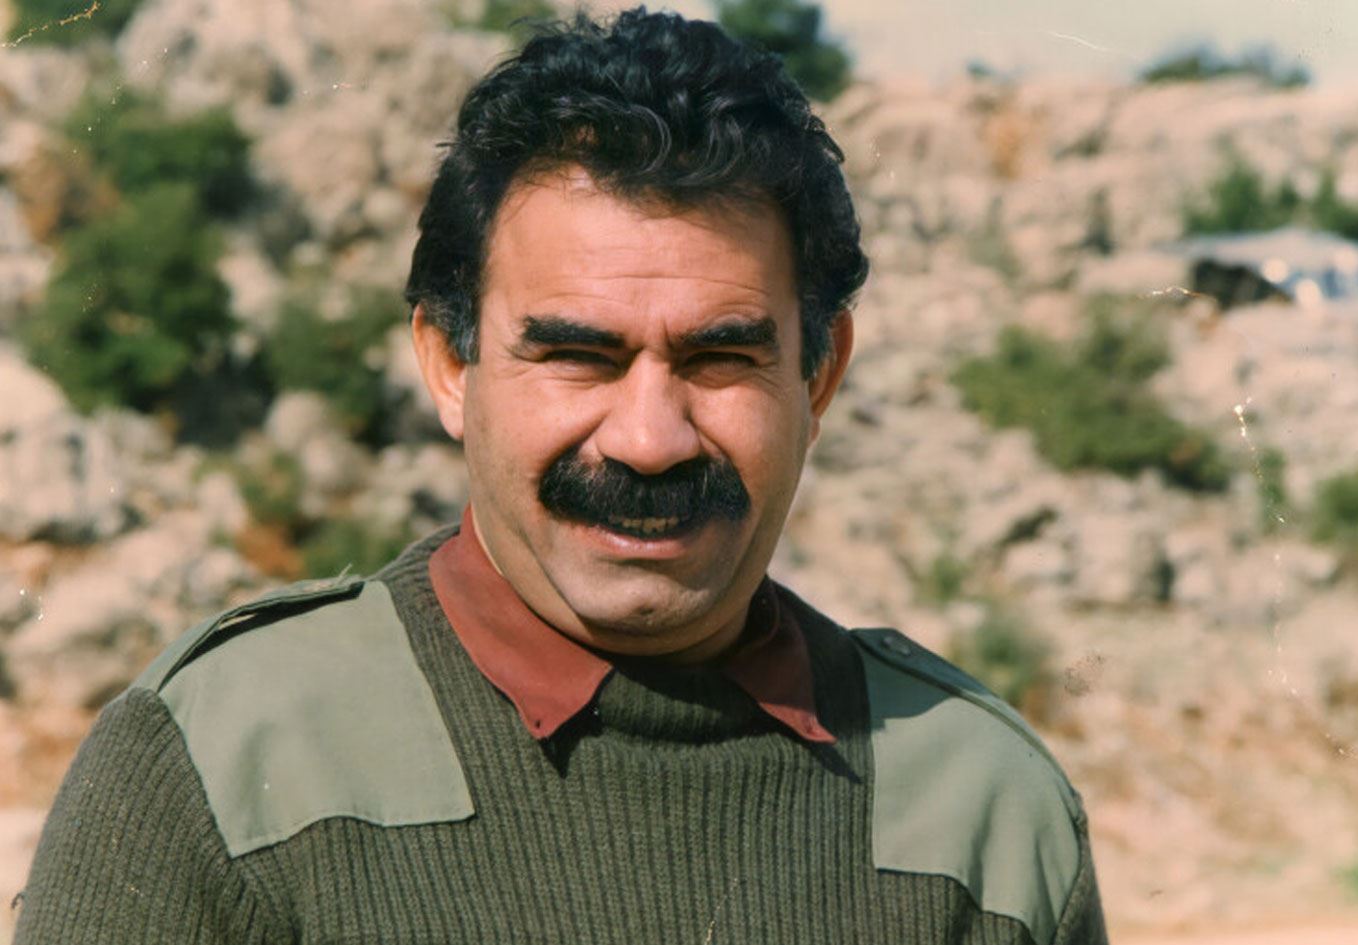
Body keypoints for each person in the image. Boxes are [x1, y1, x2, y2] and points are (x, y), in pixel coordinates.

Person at [15, 9, 1108, 944]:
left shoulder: (982, 806)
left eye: (719, 358)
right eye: (579, 355)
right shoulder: (220, 763)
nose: (649, 439)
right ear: (450, 366)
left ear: (819, 376)